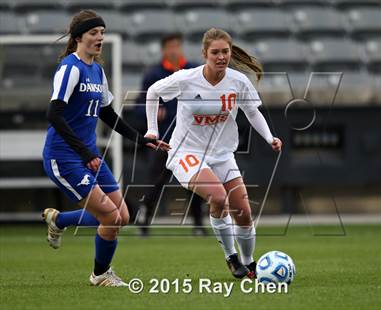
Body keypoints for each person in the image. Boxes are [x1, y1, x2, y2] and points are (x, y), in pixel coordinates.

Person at [41, 10, 169, 287]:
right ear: (78, 38)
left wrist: (141, 138)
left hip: (89, 156)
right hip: (64, 157)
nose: (100, 37)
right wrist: (85, 153)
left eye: (102, 32)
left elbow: (108, 114)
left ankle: (59, 220)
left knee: (121, 216)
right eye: (94, 33)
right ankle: (100, 275)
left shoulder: (97, 70)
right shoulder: (70, 68)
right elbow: (54, 114)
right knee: (110, 216)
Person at [144, 28, 282, 279]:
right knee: (218, 197)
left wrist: (270, 137)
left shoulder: (238, 81)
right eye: (215, 52)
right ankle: (231, 256)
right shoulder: (187, 78)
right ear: (204, 54)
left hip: (222, 154)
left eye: (225, 52)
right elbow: (153, 92)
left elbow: (252, 112)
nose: (221, 57)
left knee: (244, 211)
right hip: (186, 152)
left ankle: (249, 263)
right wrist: (153, 130)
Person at [135, 33, 206, 236]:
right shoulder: (154, 74)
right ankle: (144, 224)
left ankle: (199, 225)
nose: (174, 50)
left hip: (190, 138)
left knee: (195, 182)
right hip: (164, 140)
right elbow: (139, 106)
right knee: (156, 183)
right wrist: (154, 112)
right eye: (170, 46)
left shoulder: (193, 70)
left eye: (177, 46)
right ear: (164, 50)